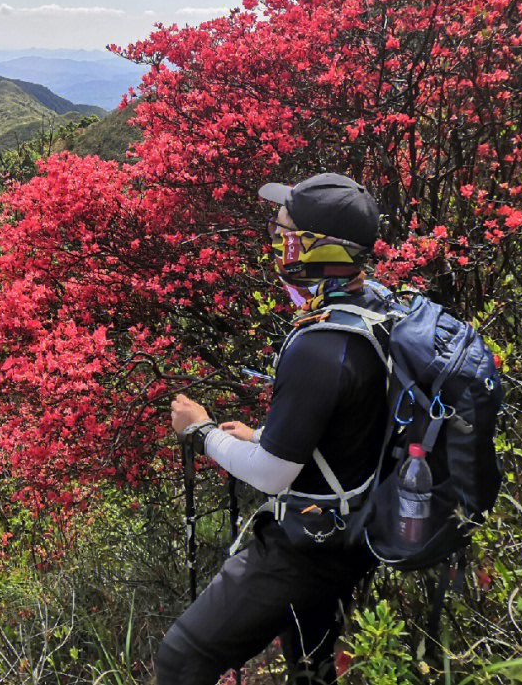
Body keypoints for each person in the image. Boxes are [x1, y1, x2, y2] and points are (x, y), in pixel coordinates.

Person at [158, 172, 390, 685]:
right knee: (311, 668)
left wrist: (203, 431)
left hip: (310, 546)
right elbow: (343, 422)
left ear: (318, 250)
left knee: (180, 658)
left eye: (286, 234)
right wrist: (265, 434)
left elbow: (270, 476)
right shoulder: (375, 307)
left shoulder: (318, 345)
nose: (278, 245)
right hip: (356, 529)